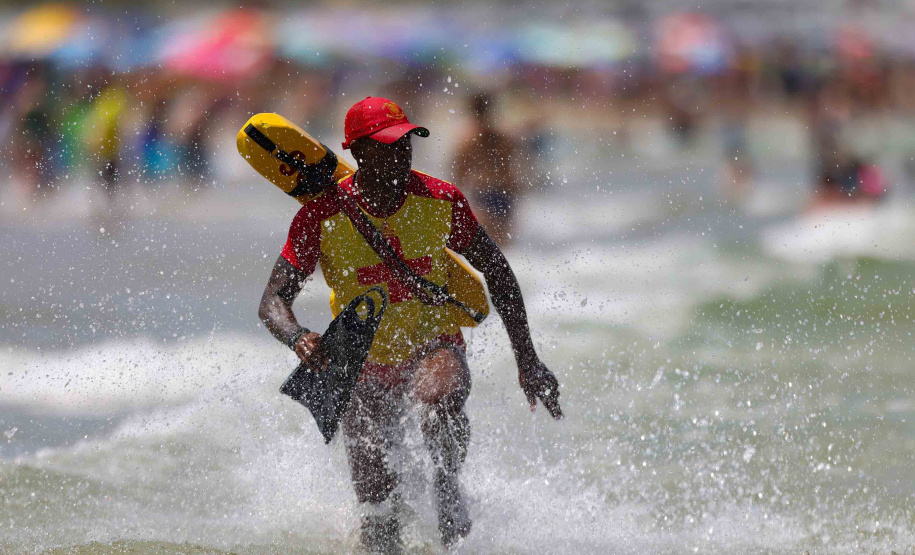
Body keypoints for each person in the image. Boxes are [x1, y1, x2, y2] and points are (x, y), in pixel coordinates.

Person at [258, 96, 562, 553]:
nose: (401, 153)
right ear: (357, 151)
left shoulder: (442, 201)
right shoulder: (319, 216)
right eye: (387, 145)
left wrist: (529, 361)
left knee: (438, 397)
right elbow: (272, 301)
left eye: (406, 142)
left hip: (434, 342)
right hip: (361, 362)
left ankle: (447, 484)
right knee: (378, 515)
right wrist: (298, 336)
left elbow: (498, 272)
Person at [451, 92, 523, 244]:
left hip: (483, 192)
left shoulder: (468, 140)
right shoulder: (502, 137)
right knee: (502, 243)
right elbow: (512, 166)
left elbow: (460, 171)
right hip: (503, 191)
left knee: (487, 244)